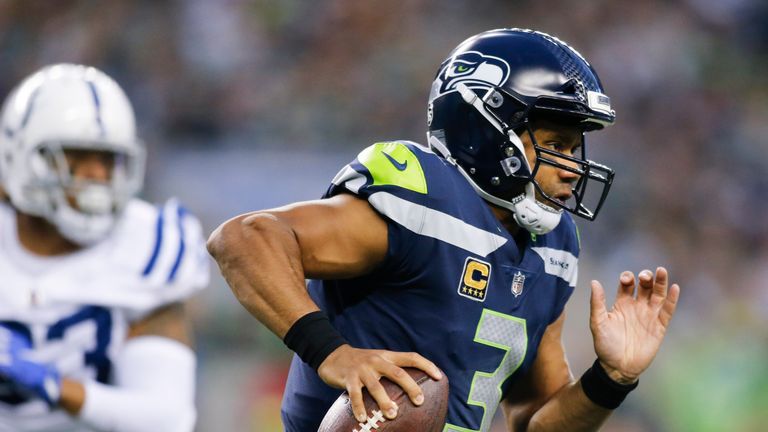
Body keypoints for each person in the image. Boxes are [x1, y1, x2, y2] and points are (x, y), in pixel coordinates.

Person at [208, 28, 681, 431]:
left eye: (575, 147)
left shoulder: (555, 247)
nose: (573, 168)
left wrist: (611, 379)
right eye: (556, 142)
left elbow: (533, 419)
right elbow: (245, 238)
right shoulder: (423, 196)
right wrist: (334, 354)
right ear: (486, 129)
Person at [0, 64, 208, 432]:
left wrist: (49, 383)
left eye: (107, 160)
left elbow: (166, 419)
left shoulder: (146, 246)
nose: (96, 176)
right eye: (75, 158)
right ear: (18, 157)